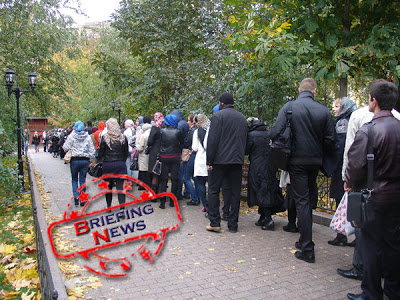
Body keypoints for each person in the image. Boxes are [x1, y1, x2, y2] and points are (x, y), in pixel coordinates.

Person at [345, 79, 400, 300]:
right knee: (394, 245)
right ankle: (394, 290)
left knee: (370, 247)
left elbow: (355, 165)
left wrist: (350, 182)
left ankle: (371, 293)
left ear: (374, 101)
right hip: (397, 197)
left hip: (374, 198)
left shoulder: (369, 131)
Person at [270, 78, 335, 263]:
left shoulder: (289, 107)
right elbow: (330, 139)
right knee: (307, 197)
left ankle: (307, 248)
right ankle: (303, 240)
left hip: (296, 161)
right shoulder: (324, 111)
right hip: (315, 161)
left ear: (300, 90)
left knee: (302, 201)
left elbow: (275, 133)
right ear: (314, 91)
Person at [206, 92, 248, 233]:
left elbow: (213, 140)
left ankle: (215, 222)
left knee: (213, 190)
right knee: (235, 193)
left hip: (219, 161)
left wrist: (209, 160)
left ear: (222, 103)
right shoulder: (242, 118)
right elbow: (244, 140)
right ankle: (233, 224)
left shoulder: (218, 117)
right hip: (236, 161)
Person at [246, 117, 284, 231]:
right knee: (267, 189)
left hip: (257, 167)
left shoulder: (251, 135)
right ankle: (263, 217)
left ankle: (268, 219)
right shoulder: (269, 134)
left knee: (260, 190)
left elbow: (246, 150)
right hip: (270, 165)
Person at [328, 97, 357, 246]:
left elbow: (339, 146)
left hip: (342, 168)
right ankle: (356, 236)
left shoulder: (342, 122)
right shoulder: (355, 118)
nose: (334, 109)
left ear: (344, 107)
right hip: (354, 168)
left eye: (337, 106)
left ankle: (341, 235)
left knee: (340, 199)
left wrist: (333, 164)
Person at [98, 118, 129, 210]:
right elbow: (126, 153)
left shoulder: (105, 138)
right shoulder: (123, 137)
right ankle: (122, 208)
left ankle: (109, 206)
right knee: (120, 187)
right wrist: (122, 161)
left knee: (108, 186)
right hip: (120, 164)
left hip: (108, 165)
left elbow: (101, 153)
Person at [63, 121, 95, 206]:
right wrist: (91, 160)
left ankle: (76, 197)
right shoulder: (87, 137)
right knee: (82, 180)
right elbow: (92, 150)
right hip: (85, 160)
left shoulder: (71, 136)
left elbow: (65, 147)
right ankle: (82, 199)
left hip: (74, 160)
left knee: (74, 179)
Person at [158, 114, 184, 209]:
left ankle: (162, 202)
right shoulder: (178, 132)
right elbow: (182, 143)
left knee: (164, 179)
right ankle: (172, 201)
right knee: (174, 179)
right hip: (175, 156)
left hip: (164, 156)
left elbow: (159, 143)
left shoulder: (161, 131)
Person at [192, 114, 210, 213]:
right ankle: (213, 204)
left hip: (200, 160)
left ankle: (205, 205)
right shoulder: (210, 130)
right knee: (211, 185)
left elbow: (194, 147)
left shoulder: (197, 132)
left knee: (201, 184)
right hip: (210, 159)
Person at [171, 109, 190, 200]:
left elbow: (177, 139)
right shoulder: (185, 124)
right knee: (185, 174)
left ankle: (178, 193)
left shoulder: (179, 125)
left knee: (180, 174)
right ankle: (185, 192)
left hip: (180, 151)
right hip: (185, 150)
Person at [184, 113, 201, 206]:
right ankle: (198, 197)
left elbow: (188, 143)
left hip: (192, 154)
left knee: (186, 177)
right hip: (198, 156)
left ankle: (194, 198)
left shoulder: (193, 131)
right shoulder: (201, 130)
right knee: (196, 178)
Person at [147, 112, 164, 195]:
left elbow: (149, 141)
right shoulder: (165, 127)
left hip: (155, 152)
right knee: (161, 173)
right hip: (164, 152)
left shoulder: (155, 128)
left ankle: (153, 193)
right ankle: (161, 192)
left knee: (154, 173)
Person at [136, 116, 152, 188]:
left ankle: (144, 186)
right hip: (151, 155)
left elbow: (139, 147)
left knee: (143, 172)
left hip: (143, 155)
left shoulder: (143, 135)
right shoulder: (153, 133)